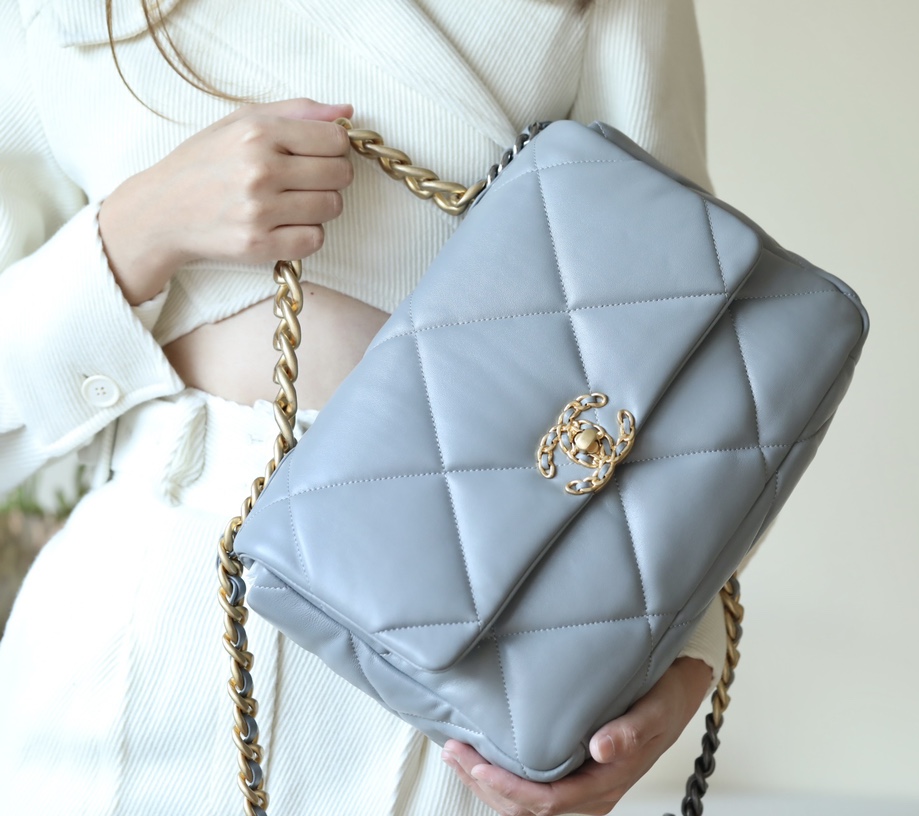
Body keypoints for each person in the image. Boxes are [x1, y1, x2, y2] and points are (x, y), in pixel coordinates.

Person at [0, 0, 729, 813]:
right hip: (131, 635)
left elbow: (688, 320)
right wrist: (139, 229)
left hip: (469, 630)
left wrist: (680, 661)